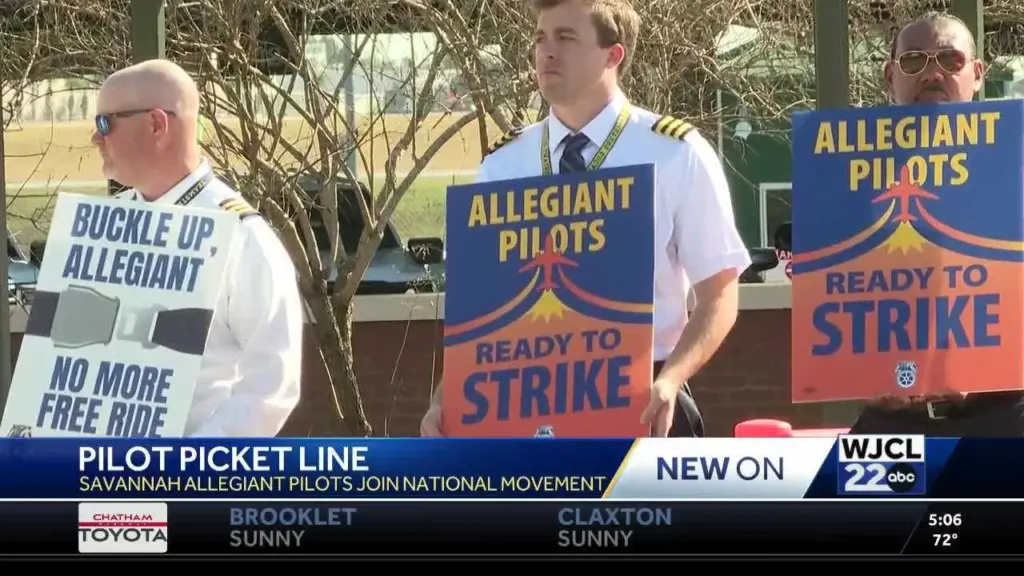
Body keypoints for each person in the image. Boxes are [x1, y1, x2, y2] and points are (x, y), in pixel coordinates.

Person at [421, 0, 750, 437]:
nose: (546, 51)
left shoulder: (675, 153)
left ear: (613, 55)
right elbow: (480, 317)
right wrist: (444, 402)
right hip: (519, 402)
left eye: (566, 37)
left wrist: (670, 380)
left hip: (643, 400)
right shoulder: (503, 165)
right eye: (540, 38)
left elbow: (720, 294)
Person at [92, 59, 304, 436]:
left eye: (106, 123)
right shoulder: (102, 226)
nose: (96, 137)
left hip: (194, 469)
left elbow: (271, 387)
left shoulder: (242, 237)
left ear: (156, 124)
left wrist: (189, 460)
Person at [848, 12, 1024, 436]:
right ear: (890, 76)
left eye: (950, 59)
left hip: (1005, 411)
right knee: (843, 481)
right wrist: (858, 375)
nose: (932, 73)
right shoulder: (847, 170)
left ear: (977, 73)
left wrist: (990, 367)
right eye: (914, 61)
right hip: (892, 418)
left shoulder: (1016, 162)